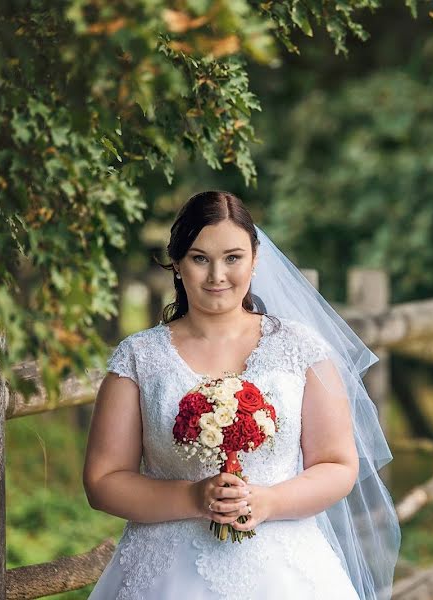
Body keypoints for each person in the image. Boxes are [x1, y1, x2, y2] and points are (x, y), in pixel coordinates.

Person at [84, 191, 399, 599]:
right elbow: (103, 480)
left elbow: (337, 464)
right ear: (177, 265)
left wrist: (266, 502)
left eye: (232, 258)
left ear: (255, 259)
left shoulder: (299, 348)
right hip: (165, 571)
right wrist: (193, 497)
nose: (217, 275)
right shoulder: (139, 357)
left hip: (284, 568)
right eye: (200, 258)